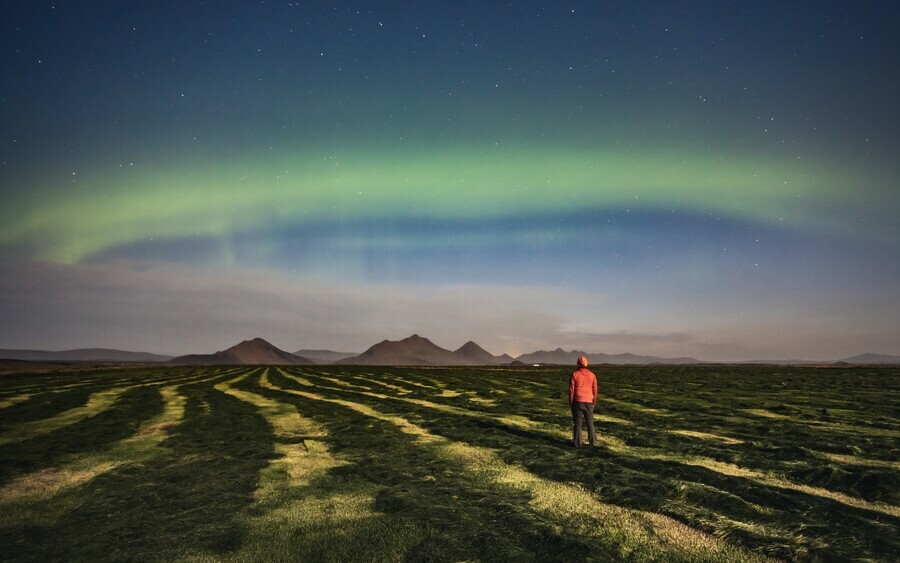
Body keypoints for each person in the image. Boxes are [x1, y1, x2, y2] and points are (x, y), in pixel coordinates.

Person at [569, 355, 598, 447]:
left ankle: (577, 443)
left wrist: (571, 401)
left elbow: (571, 390)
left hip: (577, 401)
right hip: (589, 401)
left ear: (578, 363)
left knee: (577, 424)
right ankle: (592, 442)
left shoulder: (574, 374)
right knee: (590, 423)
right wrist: (594, 400)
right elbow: (595, 390)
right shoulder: (592, 375)